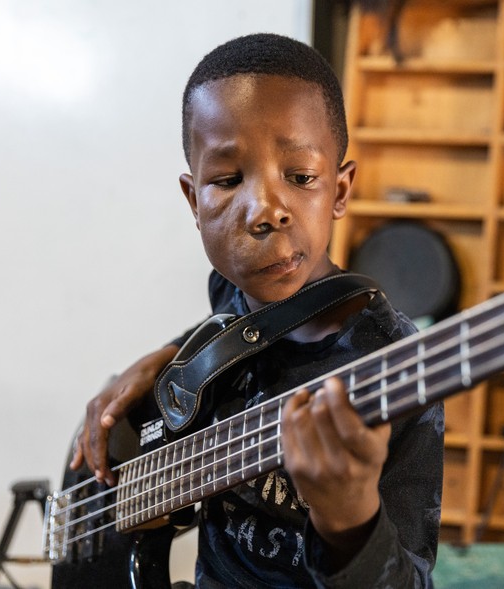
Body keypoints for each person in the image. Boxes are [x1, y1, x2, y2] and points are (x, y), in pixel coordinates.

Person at [69, 33, 443, 588]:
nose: (265, 211)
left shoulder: (395, 366)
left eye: (299, 177)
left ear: (339, 191)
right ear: (194, 201)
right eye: (226, 180)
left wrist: (350, 521)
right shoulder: (232, 288)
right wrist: (166, 357)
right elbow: (224, 329)